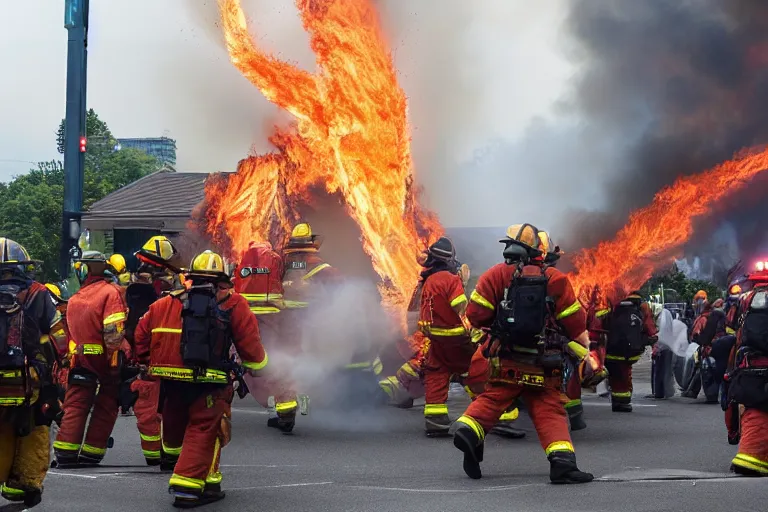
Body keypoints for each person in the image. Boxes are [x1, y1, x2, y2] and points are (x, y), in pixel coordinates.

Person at [452, 224, 595, 484]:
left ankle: (468, 430)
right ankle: (562, 464)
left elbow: (474, 315)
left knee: (494, 396)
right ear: (539, 250)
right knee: (550, 408)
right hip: (544, 361)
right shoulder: (556, 279)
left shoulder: (493, 275)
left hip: (505, 357)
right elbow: (576, 324)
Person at [134, 250, 268, 507]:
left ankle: (202, 474)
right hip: (211, 379)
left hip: (170, 379)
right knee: (205, 428)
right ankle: (187, 486)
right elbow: (250, 345)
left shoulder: (166, 302)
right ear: (222, 278)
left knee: (178, 422)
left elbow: (141, 333)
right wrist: (258, 368)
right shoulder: (232, 302)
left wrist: (146, 361)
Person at [54, 251, 129, 466]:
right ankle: (92, 452)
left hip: (78, 360)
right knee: (107, 402)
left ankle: (65, 452)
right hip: (103, 361)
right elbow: (113, 331)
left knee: (76, 404)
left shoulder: (76, 298)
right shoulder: (110, 293)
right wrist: (116, 357)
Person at [0, 238, 60, 507]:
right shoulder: (38, 293)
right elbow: (57, 335)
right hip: (31, 379)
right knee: (34, 428)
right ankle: (25, 484)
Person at [124, 235, 182, 466]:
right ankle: (167, 452)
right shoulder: (170, 289)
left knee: (149, 406)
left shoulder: (129, 282)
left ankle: (155, 453)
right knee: (166, 406)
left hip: (143, 355)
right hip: (164, 356)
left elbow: (135, 330)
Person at [234, 241, 299, 433]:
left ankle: (223, 400)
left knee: (241, 356)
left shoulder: (243, 260)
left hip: (246, 315)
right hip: (273, 315)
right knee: (278, 359)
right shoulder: (275, 259)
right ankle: (285, 412)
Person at [416, 237, 475, 437]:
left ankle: (435, 419)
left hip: (435, 339)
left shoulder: (427, 280)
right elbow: (459, 305)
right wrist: (464, 285)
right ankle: (491, 414)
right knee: (473, 371)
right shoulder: (449, 279)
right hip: (456, 338)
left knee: (436, 373)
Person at [723, 284, 768, 476]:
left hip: (750, 366)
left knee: (755, 410)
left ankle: (750, 457)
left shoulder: (746, 299)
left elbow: (730, 329)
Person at [604, 290, 658, 412]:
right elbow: (650, 328)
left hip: (611, 350)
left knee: (615, 376)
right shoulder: (642, 308)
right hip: (630, 352)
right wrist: (651, 339)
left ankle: (617, 401)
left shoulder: (612, 306)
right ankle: (623, 403)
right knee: (624, 376)